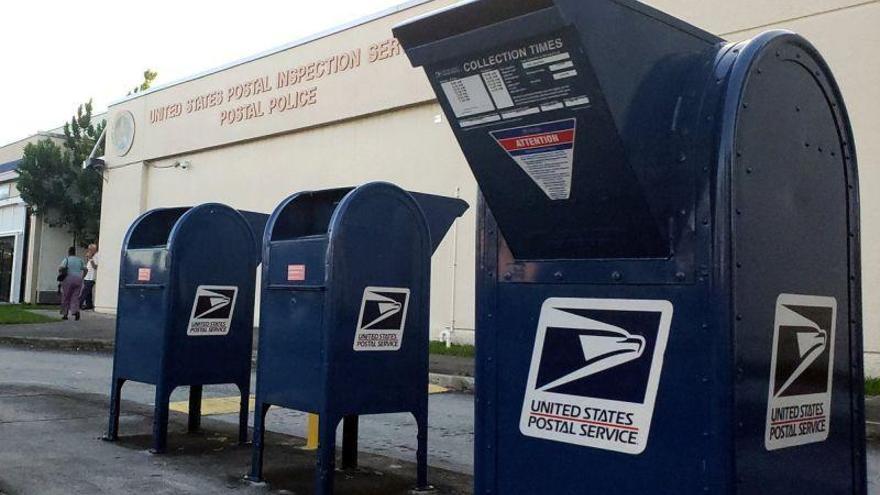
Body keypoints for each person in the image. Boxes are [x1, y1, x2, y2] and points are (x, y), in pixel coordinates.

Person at [58, 246, 86, 321]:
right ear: (75, 252)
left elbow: (61, 268)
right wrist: (82, 276)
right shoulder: (80, 260)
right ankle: (75, 311)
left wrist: (61, 273)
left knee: (66, 296)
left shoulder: (66, 259)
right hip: (78, 279)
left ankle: (65, 314)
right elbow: (85, 269)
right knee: (75, 297)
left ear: (69, 252)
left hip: (68, 279)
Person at [81, 244, 99, 310]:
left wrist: (91, 258)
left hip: (91, 277)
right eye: (89, 249)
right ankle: (89, 305)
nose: (89, 251)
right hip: (87, 276)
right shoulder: (92, 256)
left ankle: (79, 303)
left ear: (94, 250)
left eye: (90, 249)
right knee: (88, 293)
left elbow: (95, 266)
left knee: (85, 291)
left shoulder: (97, 256)